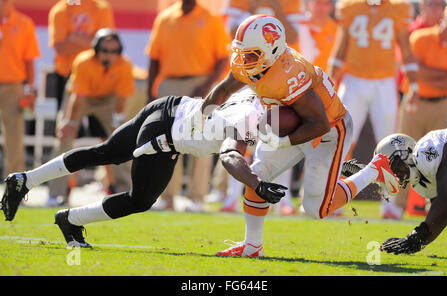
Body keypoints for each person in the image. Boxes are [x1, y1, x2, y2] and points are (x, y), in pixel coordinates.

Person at [197, 14, 400, 257]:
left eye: (252, 53)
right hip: (294, 123)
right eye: (242, 52)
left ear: (272, 48)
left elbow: (319, 123)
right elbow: (224, 89)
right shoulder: (247, 62)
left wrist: (281, 141)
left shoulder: (290, 71)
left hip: (328, 130)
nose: (244, 59)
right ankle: (252, 246)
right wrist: (199, 118)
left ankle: (374, 169)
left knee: (316, 208)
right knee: (256, 174)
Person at [1, 87, 289, 249]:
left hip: (169, 105)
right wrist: (257, 184)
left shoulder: (257, 92)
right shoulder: (249, 120)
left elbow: (226, 84)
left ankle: (24, 179)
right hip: (166, 136)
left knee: (104, 153)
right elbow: (229, 157)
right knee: (140, 200)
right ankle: (70, 220)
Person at [146, 0, 230, 212]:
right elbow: (154, 57)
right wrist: (152, 91)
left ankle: (197, 197)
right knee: (167, 141)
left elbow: (222, 57)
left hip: (201, 84)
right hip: (170, 84)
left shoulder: (210, 19)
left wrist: (209, 86)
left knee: (200, 139)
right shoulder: (165, 18)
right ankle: (167, 196)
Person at [221, 0, 304, 214]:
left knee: (280, 137)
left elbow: (293, 36)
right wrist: (251, 9)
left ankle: (284, 199)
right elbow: (231, 34)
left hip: (277, 75)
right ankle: (231, 197)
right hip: (249, 74)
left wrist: (277, 7)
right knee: (239, 134)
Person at [328, 0, 418, 161]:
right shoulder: (350, 6)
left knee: (388, 142)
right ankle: (339, 184)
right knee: (343, 136)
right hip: (354, 80)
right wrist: (329, 83)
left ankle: (384, 187)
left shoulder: (398, 8)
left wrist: (414, 86)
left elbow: (406, 50)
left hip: (384, 83)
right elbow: (340, 48)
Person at [46, 29, 135, 206]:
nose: (110, 55)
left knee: (122, 140)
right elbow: (78, 97)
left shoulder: (125, 65)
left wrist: (117, 122)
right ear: (95, 49)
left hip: (107, 100)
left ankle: (123, 191)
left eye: (114, 51)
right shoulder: (84, 62)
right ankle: (58, 192)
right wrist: (69, 122)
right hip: (81, 99)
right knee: (64, 138)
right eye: (105, 50)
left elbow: (121, 98)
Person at [387, 6, 447, 220]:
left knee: (441, 157)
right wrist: (439, 76)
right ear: (443, 18)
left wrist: (426, 73)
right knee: (403, 151)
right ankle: (395, 204)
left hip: (443, 103)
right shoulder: (421, 37)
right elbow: (413, 69)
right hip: (415, 100)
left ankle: (435, 207)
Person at [371, 130, 447, 255]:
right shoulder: (421, 186)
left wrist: (417, 236)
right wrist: (418, 240)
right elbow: (443, 214)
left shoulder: (423, 152)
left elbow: (446, 199)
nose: (396, 175)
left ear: (407, 151)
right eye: (391, 174)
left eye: (395, 167)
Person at [49, 0, 114, 110]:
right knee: (66, 121)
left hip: (96, 73)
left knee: (97, 123)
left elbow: (105, 45)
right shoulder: (59, 11)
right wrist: (90, 41)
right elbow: (60, 48)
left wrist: (73, 38)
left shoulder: (101, 8)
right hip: (67, 73)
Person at [0, 0, 40, 178]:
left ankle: (14, 185)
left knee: (15, 139)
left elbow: (30, 61)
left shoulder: (24, 24)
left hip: (13, 87)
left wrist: (29, 90)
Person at [222, 0, 303, 48]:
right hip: (249, 57)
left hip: (279, 60)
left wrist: (278, 11)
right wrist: (251, 10)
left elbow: (292, 38)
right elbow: (232, 37)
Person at [297, 0, 337, 71]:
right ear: (309, 4)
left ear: (331, 7)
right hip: (300, 81)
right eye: (318, 2)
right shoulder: (298, 25)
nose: (321, 7)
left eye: (325, 3)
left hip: (327, 82)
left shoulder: (337, 30)